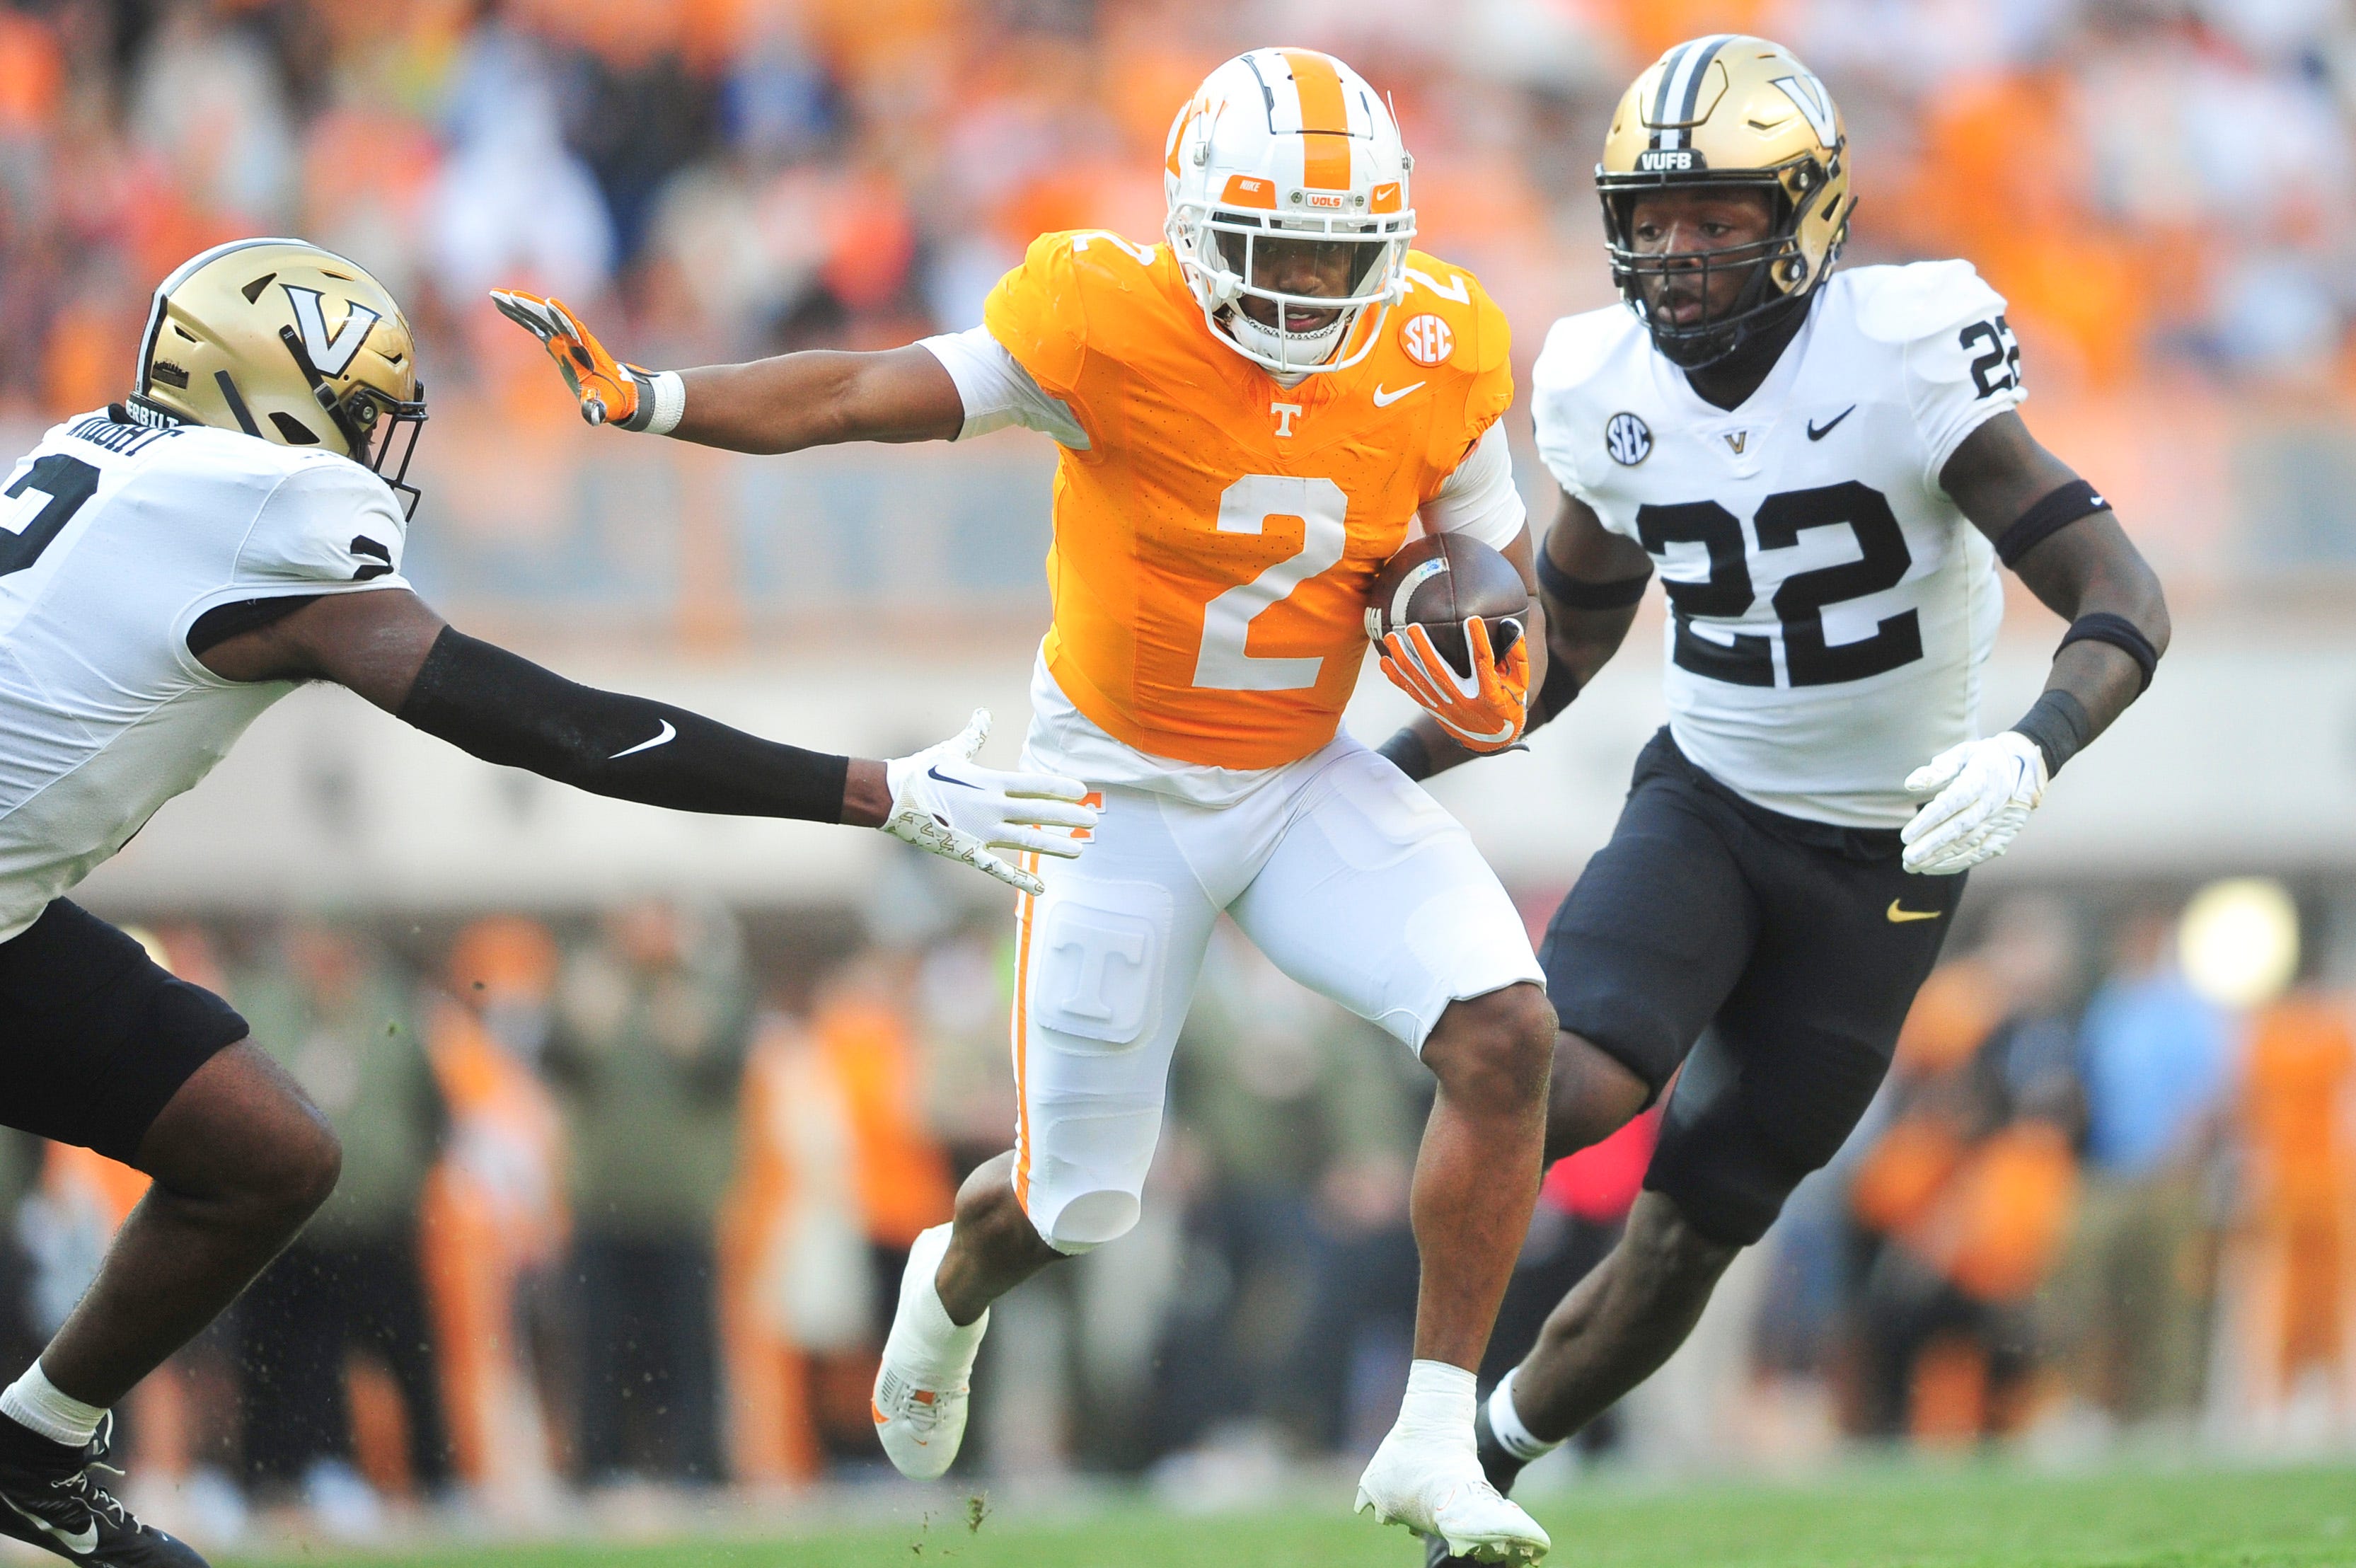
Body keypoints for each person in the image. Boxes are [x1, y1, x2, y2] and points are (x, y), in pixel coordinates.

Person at [502, 47, 1559, 1562]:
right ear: (1196, 229)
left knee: (1507, 1029)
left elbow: (1491, 570)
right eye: (1282, 248)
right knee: (1071, 1205)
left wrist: (1484, 660)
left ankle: (1434, 1434)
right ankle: (947, 1283)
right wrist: (658, 395)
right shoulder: (1102, 314)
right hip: (1113, 790)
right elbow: (871, 391)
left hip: (1301, 777)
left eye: (1345, 249)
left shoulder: (1444, 338)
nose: (1317, 283)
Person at [0, 236, 1095, 1568]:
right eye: (354, 413)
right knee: (265, 1156)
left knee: (268, 1153)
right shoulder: (259, 496)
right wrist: (876, 790)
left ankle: (33, 1451)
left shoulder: (106, 450)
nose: (370, 450)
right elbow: (545, 726)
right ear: (267, 393)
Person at [1369, 38, 2171, 1563]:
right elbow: (1572, 639)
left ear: (1804, 215)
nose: (1679, 250)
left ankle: (1489, 1454)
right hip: (1714, 802)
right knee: (1558, 1083)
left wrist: (2037, 741)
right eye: (1655, 217)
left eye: (1720, 215)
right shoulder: (1598, 379)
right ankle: (1422, 1417)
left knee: (1697, 1224)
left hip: (1896, 851)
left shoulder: (1908, 346)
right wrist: (1377, 775)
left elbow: (2120, 590)